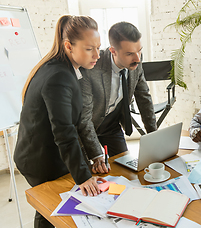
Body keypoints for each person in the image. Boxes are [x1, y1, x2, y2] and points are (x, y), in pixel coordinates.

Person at [14, 15, 106, 228]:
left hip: (44, 152)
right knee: (53, 209)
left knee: (50, 209)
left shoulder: (62, 67)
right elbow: (65, 131)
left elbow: (76, 120)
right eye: (89, 48)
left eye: (98, 48)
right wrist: (83, 176)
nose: (97, 55)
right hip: (40, 159)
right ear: (68, 46)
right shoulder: (59, 76)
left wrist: (92, 157)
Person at [78, 21, 156, 173]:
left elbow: (144, 98)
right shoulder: (92, 67)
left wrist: (154, 137)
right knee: (91, 173)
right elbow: (84, 117)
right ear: (113, 50)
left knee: (126, 169)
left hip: (111, 125)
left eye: (139, 51)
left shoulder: (136, 60)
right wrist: (96, 155)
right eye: (129, 53)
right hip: (86, 127)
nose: (137, 58)